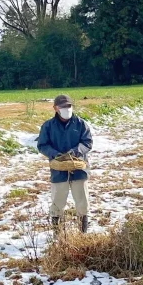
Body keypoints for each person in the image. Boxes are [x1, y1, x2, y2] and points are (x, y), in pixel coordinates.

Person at [37, 94, 93, 232]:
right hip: (58, 170)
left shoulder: (81, 124)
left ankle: (82, 233)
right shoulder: (48, 126)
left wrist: (76, 151)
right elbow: (42, 145)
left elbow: (88, 142)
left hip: (79, 169)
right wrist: (55, 154)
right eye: (63, 106)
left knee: (82, 202)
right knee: (57, 202)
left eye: (69, 106)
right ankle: (58, 235)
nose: (67, 109)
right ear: (56, 108)